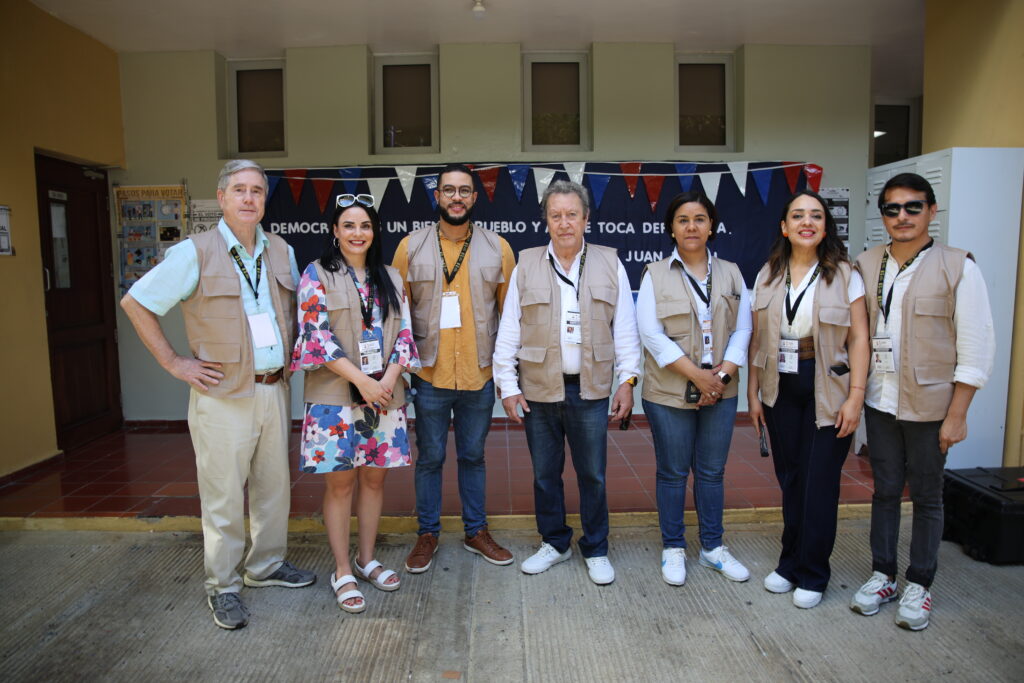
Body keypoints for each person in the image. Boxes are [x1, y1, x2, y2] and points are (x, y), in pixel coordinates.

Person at [120, 160, 315, 630]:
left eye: (257, 192)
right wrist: (174, 363)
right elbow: (136, 302)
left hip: (272, 388)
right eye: (240, 190)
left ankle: (264, 567)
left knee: (273, 489)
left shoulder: (281, 251)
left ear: (265, 200)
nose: (249, 199)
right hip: (221, 394)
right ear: (222, 197)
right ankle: (223, 586)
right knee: (224, 496)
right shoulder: (195, 252)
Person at [849, 173, 994, 631]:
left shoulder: (958, 266)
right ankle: (883, 574)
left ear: (932, 211)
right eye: (892, 209)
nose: (902, 217)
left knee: (928, 496)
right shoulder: (866, 263)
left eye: (913, 207)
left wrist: (958, 414)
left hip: (932, 406)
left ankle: (920, 582)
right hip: (880, 399)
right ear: (883, 216)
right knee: (885, 490)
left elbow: (976, 346)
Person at [493, 180, 641, 585]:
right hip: (539, 388)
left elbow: (625, 329)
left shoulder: (611, 262)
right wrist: (507, 385)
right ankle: (555, 542)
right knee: (545, 473)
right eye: (555, 215)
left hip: (590, 389)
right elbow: (510, 329)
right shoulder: (526, 264)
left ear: (586, 219)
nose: (564, 223)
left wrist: (627, 381)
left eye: (571, 214)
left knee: (592, 473)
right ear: (546, 221)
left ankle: (595, 547)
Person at [291, 194, 420, 613]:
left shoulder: (391, 277)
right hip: (334, 399)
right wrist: (363, 380)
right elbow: (316, 336)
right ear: (334, 231)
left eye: (365, 225)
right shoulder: (316, 274)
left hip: (384, 394)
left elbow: (405, 335)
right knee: (341, 482)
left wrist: (386, 380)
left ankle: (367, 560)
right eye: (349, 225)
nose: (357, 233)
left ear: (374, 231)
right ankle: (342, 568)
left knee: (375, 480)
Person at [391, 163, 517, 572]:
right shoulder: (410, 247)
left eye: (465, 190)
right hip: (429, 374)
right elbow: (398, 314)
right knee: (429, 458)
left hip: (479, 375)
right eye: (449, 190)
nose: (457, 197)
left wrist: (506, 373)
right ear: (437, 196)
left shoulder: (498, 248)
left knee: (474, 456)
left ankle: (475, 531)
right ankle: (427, 534)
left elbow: (510, 316)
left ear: (475, 198)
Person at [747, 190, 869, 609]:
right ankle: (789, 563)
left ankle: (814, 573)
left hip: (829, 388)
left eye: (816, 215)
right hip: (780, 385)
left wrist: (855, 398)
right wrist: (754, 394)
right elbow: (757, 338)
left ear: (825, 227)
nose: (806, 222)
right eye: (797, 215)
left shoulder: (845, 275)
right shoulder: (767, 274)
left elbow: (860, 340)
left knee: (819, 484)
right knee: (791, 479)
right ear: (784, 227)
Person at [636, 192, 752, 586]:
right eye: (683, 219)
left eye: (699, 219)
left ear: (711, 227)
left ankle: (713, 548)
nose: (691, 227)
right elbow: (651, 334)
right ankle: (673, 548)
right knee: (672, 473)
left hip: (721, 389)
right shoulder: (653, 273)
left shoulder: (733, 272)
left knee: (711, 472)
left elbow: (744, 329)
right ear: (671, 227)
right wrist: (697, 376)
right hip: (669, 392)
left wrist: (720, 377)